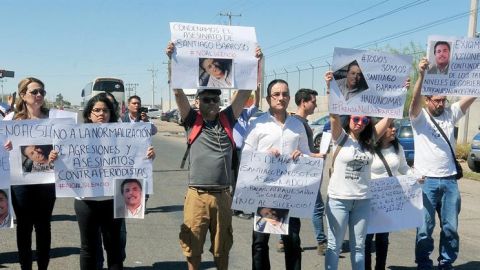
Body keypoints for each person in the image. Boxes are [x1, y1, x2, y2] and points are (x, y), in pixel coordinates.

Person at [166, 42, 262, 270]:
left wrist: (257, 61)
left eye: (215, 99)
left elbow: (246, 91)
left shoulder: (227, 119)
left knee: (222, 249)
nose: (211, 103)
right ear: (198, 103)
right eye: (206, 99)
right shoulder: (192, 120)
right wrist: (172, 60)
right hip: (197, 196)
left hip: (222, 196)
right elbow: (178, 91)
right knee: (193, 249)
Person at [50, 94, 155, 270]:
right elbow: (64, 162)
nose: (101, 114)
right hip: (85, 202)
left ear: (110, 113)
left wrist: (148, 155)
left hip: (113, 200)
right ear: (89, 114)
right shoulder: (74, 137)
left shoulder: (125, 135)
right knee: (88, 248)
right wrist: (55, 157)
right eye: (96, 110)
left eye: (105, 110)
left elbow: (137, 160)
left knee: (114, 249)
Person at [410, 57, 476, 270]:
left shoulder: (450, 113)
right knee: (424, 228)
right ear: (427, 99)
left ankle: (446, 263)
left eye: (443, 100)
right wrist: (421, 75)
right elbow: (414, 101)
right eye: (436, 100)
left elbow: (472, 94)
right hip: (426, 182)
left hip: (449, 182)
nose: (441, 104)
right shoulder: (419, 118)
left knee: (450, 228)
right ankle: (424, 264)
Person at [324, 71, 390, 270]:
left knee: (359, 247)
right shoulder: (340, 137)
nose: (360, 122)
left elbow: (389, 116)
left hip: (362, 200)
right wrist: (329, 88)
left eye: (364, 120)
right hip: (338, 200)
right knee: (334, 246)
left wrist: (401, 91)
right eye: (356, 118)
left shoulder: (370, 141)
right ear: (350, 117)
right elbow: (333, 114)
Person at [244, 79, 312, 270]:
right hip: (264, 193)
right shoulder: (257, 124)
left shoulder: (297, 126)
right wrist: (264, 156)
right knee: (259, 243)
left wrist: (302, 155)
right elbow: (246, 155)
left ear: (289, 97)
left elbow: (307, 153)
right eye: (276, 94)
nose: (281, 98)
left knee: (292, 241)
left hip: (290, 193)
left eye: (285, 94)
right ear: (268, 98)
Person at [3, 77, 56, 270]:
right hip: (21, 184)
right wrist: (7, 146)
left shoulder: (53, 118)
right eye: (34, 92)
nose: (39, 95)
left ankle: (43, 267)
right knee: (24, 227)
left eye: (42, 91)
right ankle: (26, 267)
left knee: (44, 227)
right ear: (23, 95)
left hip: (47, 182)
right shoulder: (11, 120)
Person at [365, 120, 412, 270]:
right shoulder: (368, 149)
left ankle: (380, 267)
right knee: (366, 239)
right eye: (390, 126)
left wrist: (414, 176)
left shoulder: (398, 148)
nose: (394, 129)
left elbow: (404, 168)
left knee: (383, 238)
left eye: (394, 126)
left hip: (388, 201)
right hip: (369, 200)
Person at [293, 88, 328, 255]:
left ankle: (283, 241)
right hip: (303, 172)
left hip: (302, 172)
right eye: (313, 101)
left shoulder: (299, 122)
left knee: (293, 208)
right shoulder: (297, 123)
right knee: (317, 207)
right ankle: (322, 243)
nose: (315, 105)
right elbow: (298, 150)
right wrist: (317, 155)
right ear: (303, 102)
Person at [232, 86, 260, 219]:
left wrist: (257, 92)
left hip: (244, 152)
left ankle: (241, 206)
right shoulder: (231, 115)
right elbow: (233, 102)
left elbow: (256, 104)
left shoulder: (245, 114)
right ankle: (235, 208)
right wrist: (239, 90)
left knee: (243, 180)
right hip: (232, 152)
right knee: (235, 180)